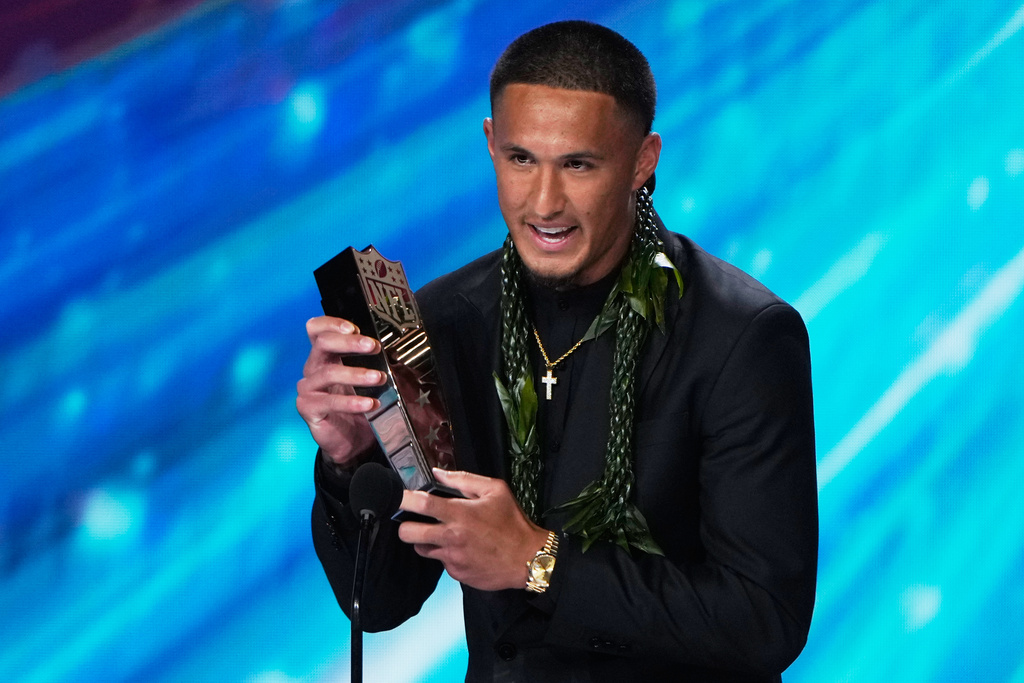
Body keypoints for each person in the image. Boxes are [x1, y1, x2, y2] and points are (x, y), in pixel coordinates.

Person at [297, 20, 818, 682]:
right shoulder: (444, 320)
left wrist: (539, 561)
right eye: (521, 159)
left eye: (578, 164)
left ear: (642, 161)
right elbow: (381, 602)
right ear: (490, 143)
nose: (544, 202)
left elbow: (763, 619)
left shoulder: (742, 336)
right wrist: (350, 458)